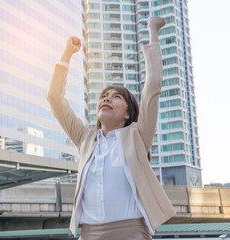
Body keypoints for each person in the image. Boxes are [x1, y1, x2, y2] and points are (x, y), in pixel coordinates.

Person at [47, 16, 176, 240]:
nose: (106, 99)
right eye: (103, 96)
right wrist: (67, 54)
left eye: (116, 97)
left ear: (128, 113)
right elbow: (54, 98)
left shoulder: (137, 135)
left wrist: (152, 30)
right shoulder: (85, 138)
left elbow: (153, 85)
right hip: (89, 234)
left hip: (131, 232)